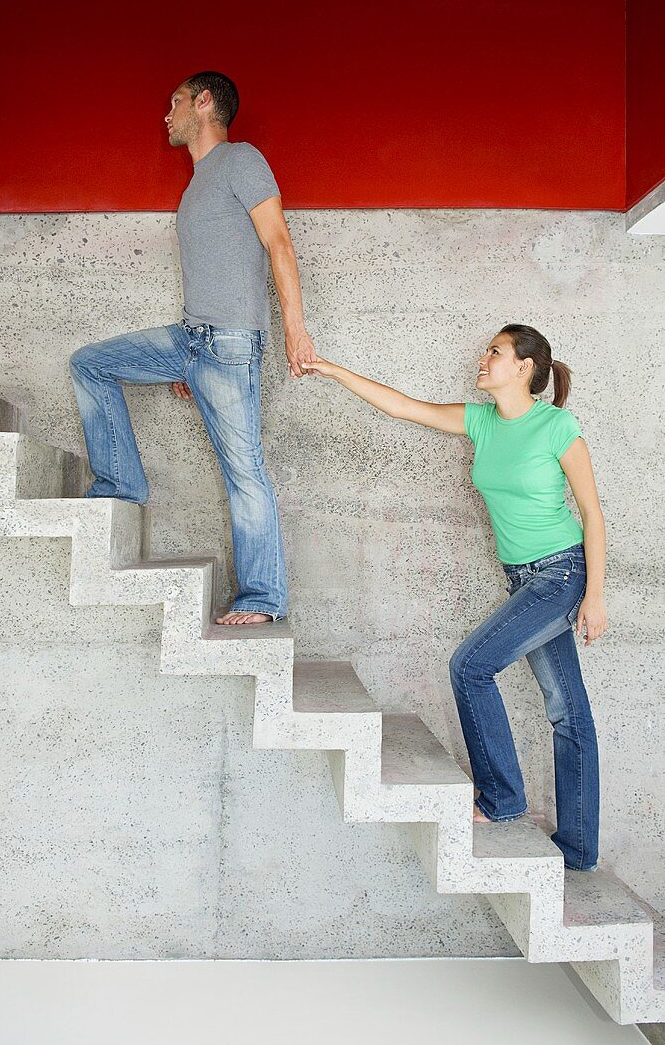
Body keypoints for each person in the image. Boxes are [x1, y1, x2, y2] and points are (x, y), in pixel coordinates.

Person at [302, 324, 605, 871]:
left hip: (562, 576)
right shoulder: (483, 422)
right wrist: (333, 370)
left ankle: (502, 800)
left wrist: (596, 596)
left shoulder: (558, 427)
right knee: (567, 711)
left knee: (470, 666)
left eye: (496, 352)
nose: (483, 358)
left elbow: (592, 515)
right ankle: (578, 852)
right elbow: (402, 407)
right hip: (524, 579)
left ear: (524, 368)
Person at [70, 71, 317, 625]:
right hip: (191, 339)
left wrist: (294, 331)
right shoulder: (197, 182)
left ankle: (261, 597)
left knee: (244, 471)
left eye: (175, 102)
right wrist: (184, 363)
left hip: (230, 344)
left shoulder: (241, 159)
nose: (167, 115)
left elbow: (278, 240)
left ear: (204, 104)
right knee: (90, 364)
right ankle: (121, 485)